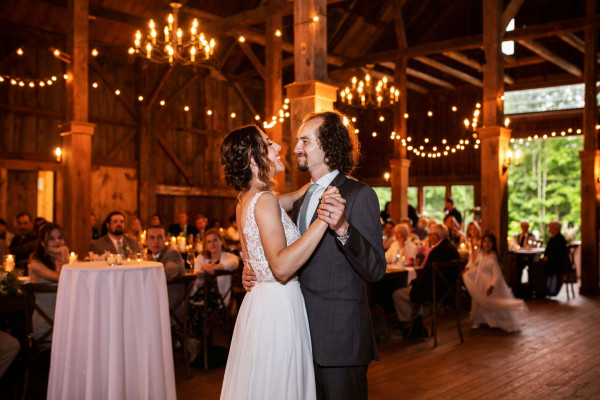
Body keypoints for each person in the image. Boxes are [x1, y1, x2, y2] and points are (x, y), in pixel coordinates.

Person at [243, 111, 386, 400]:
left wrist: (343, 228)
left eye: (304, 141)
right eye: (297, 141)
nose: (296, 148)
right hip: (297, 333)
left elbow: (376, 269)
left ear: (328, 146)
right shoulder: (302, 197)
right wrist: (255, 269)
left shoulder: (360, 195)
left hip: (339, 339)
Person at [219, 124, 346, 400]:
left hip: (259, 304)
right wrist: (324, 218)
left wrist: (314, 187)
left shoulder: (247, 200)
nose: (279, 148)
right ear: (254, 159)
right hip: (278, 305)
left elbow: (283, 202)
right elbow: (281, 266)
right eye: (269, 144)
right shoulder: (264, 200)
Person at [392, 224, 459, 339]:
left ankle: (411, 327)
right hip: (449, 292)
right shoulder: (452, 249)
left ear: (436, 236)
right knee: (413, 291)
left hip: (434, 292)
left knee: (398, 294)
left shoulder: (437, 251)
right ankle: (417, 326)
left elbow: (427, 277)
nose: (429, 237)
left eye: (431, 235)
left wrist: (414, 282)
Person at [187, 228, 239, 360]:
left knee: (197, 309)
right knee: (189, 306)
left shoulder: (229, 256)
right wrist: (202, 274)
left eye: (215, 240)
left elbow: (234, 264)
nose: (212, 244)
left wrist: (211, 268)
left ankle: (195, 345)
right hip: (200, 294)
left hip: (219, 300)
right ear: (205, 244)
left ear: (221, 241)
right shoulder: (201, 258)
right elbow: (197, 283)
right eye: (209, 241)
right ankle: (195, 344)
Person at [462, 233, 528, 332]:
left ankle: (504, 322)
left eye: (489, 242)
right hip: (479, 282)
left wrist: (492, 285)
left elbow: (497, 274)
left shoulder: (493, 258)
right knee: (478, 301)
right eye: (485, 242)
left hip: (489, 282)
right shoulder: (479, 254)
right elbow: (472, 263)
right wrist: (467, 269)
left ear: (493, 244)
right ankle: (479, 320)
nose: (487, 244)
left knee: (494, 302)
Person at [28, 223, 68, 341]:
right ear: (42, 243)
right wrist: (64, 256)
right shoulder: (36, 265)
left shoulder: (58, 262)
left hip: (63, 322)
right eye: (51, 238)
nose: (57, 241)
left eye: (60, 237)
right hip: (47, 324)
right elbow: (63, 279)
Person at [529, 220, 567, 297]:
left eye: (550, 228)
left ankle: (540, 290)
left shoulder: (560, 240)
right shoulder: (553, 238)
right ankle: (537, 289)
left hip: (555, 264)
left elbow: (557, 255)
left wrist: (546, 259)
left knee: (535, 267)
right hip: (551, 262)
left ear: (555, 229)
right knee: (534, 266)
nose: (549, 229)